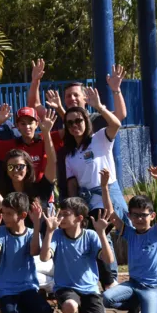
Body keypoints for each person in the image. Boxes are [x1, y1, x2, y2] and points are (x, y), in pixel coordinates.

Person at [61, 88, 124, 289]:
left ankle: (110, 280)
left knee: (101, 232)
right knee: (91, 235)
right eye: (69, 123)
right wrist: (72, 208)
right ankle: (97, 279)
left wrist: (100, 107)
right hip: (85, 199)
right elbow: (72, 183)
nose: (74, 126)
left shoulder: (100, 138)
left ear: (86, 121)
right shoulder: (70, 155)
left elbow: (116, 123)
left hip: (106, 193)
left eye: (78, 121)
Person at [103, 166, 157, 313]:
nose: (140, 219)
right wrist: (104, 187)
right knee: (106, 298)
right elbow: (111, 214)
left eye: (144, 215)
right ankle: (135, 305)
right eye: (135, 215)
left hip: (154, 287)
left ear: (152, 216)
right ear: (129, 216)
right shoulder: (130, 233)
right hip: (134, 284)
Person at [40, 197, 113, 313]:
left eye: (65, 214)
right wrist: (49, 232)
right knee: (70, 305)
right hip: (65, 288)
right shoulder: (57, 234)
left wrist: (102, 233)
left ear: (79, 218)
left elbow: (109, 260)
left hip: (89, 289)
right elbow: (44, 258)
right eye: (59, 213)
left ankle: (84, 312)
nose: (60, 217)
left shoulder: (90, 235)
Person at [0, 191, 54, 313]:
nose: (4, 217)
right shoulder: (1, 231)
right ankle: (6, 310)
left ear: (23, 215)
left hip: (27, 287)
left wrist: (37, 225)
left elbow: (34, 251)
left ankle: (19, 310)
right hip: (6, 289)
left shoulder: (30, 233)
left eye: (9, 213)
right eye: (3, 212)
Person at [0, 110, 58, 212]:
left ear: (28, 167)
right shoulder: (3, 188)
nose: (15, 170)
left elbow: (52, 162)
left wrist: (46, 132)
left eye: (20, 167)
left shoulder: (40, 189)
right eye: (11, 167)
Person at [26, 58, 128, 132]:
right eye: (68, 96)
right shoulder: (54, 118)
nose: (72, 98)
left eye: (76, 95)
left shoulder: (95, 119)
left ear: (85, 98)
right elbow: (34, 106)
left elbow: (120, 115)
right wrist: (35, 81)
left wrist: (116, 89)